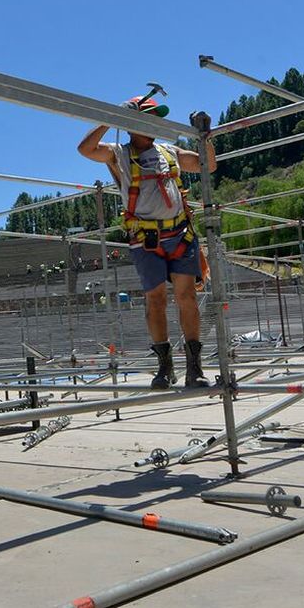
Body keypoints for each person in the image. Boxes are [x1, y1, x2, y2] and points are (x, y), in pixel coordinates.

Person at [78, 96, 216, 389]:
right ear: (131, 123)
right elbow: (85, 149)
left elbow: (208, 164)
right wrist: (111, 116)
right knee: (155, 301)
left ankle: (195, 367)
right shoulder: (120, 154)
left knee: (187, 298)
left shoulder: (170, 152)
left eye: (156, 118)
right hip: (146, 239)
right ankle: (165, 366)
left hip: (179, 235)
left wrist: (204, 136)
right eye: (147, 117)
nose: (153, 124)